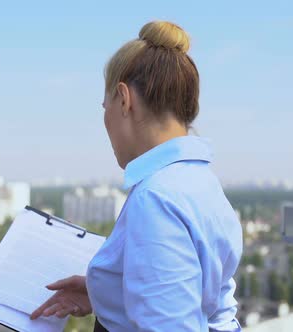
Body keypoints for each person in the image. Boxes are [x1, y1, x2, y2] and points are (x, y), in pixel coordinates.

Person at [31, 21, 243, 332]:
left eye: (106, 106)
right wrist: (109, 293)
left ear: (124, 99)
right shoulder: (200, 182)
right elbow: (212, 306)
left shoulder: (157, 198)